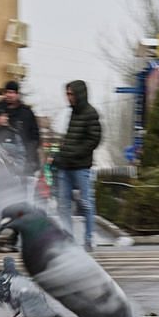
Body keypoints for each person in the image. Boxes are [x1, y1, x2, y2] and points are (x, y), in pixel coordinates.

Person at [54, 80, 103, 249]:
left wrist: (73, 153)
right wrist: (60, 154)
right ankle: (68, 238)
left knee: (86, 203)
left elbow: (94, 139)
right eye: (67, 94)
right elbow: (70, 139)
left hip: (81, 166)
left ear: (79, 94)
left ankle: (88, 239)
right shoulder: (73, 113)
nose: (69, 98)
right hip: (66, 167)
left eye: (71, 94)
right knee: (63, 205)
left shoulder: (90, 113)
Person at [0, 80, 41, 171]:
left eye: (12, 92)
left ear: (18, 94)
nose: (9, 95)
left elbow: (34, 138)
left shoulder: (26, 113)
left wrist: (26, 154)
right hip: (0, 160)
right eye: (7, 92)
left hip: (23, 161)